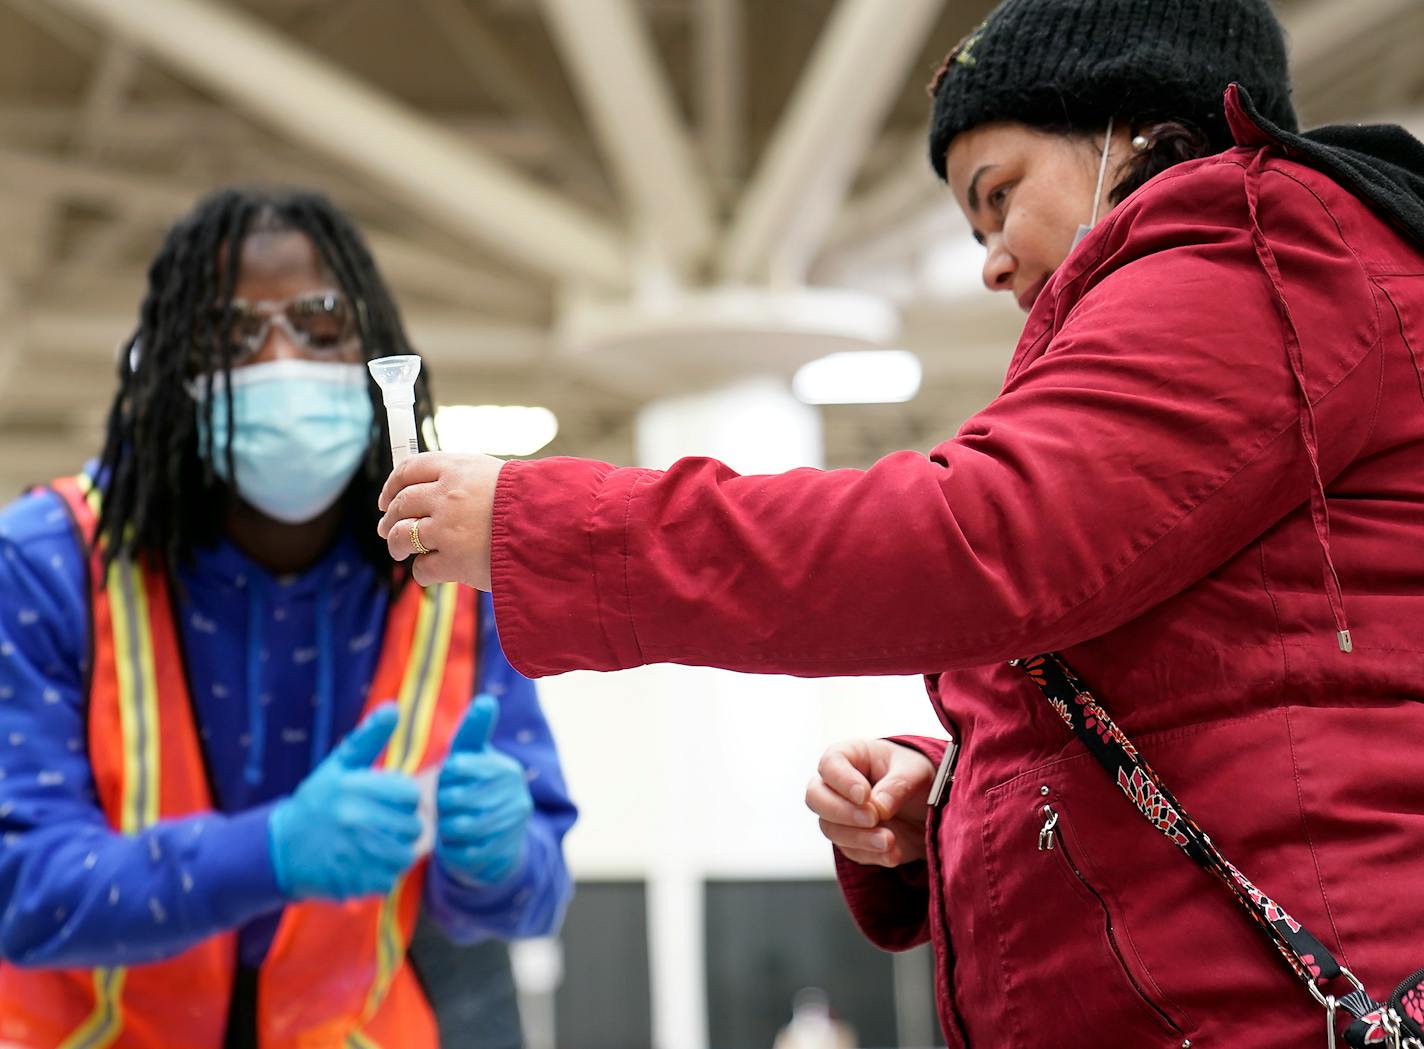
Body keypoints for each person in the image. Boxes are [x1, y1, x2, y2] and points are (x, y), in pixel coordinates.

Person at [376, 0, 1424, 1045]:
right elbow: (1225, 685)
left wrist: (543, 524)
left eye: (998, 195)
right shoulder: (1258, 290)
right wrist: (958, 790)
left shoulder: (1250, 256)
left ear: (1143, 134)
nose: (991, 262)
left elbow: (976, 539)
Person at [0, 187, 577, 1048]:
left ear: (375, 348)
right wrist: (264, 851)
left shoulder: (448, 563)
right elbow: (21, 889)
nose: (282, 360)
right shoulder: (47, 559)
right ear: (171, 369)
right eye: (234, 337)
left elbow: (533, 890)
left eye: (319, 325)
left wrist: (497, 858)